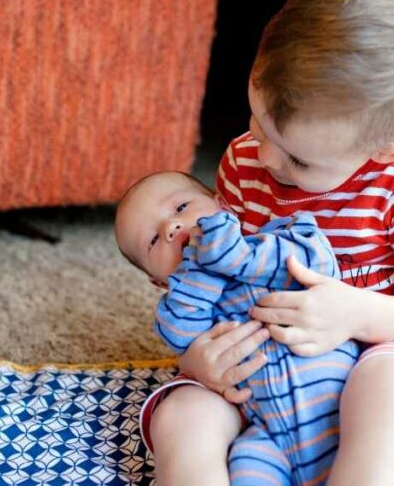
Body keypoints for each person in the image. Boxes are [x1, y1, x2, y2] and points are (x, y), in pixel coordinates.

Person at [139, 0, 394, 486]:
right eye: (258, 123)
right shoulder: (243, 162)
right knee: (184, 414)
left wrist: (353, 313)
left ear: (381, 146)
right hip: (264, 378)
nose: (264, 157)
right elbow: (221, 275)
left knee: (390, 391)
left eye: (298, 159)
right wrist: (200, 357)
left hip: (370, 355)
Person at [114, 170, 360, 485]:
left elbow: (319, 262)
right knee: (246, 462)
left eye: (181, 208)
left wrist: (237, 257)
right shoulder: (186, 304)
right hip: (269, 437)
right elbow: (179, 334)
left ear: (225, 208)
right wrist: (198, 271)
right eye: (153, 241)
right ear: (158, 281)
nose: (171, 227)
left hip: (339, 408)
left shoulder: (277, 237)